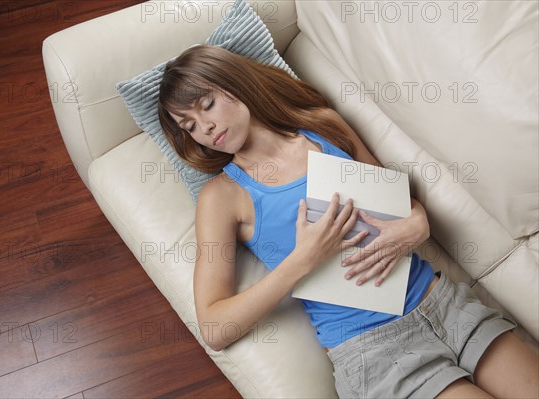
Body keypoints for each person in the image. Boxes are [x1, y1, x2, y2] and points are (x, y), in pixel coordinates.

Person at [157, 45, 538, 398]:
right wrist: (302, 260)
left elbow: (401, 206)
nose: (204, 128)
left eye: (206, 105)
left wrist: (417, 225)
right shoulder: (221, 198)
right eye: (189, 126)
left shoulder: (324, 126)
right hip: (376, 350)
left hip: (441, 302)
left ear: (235, 84)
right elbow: (215, 327)